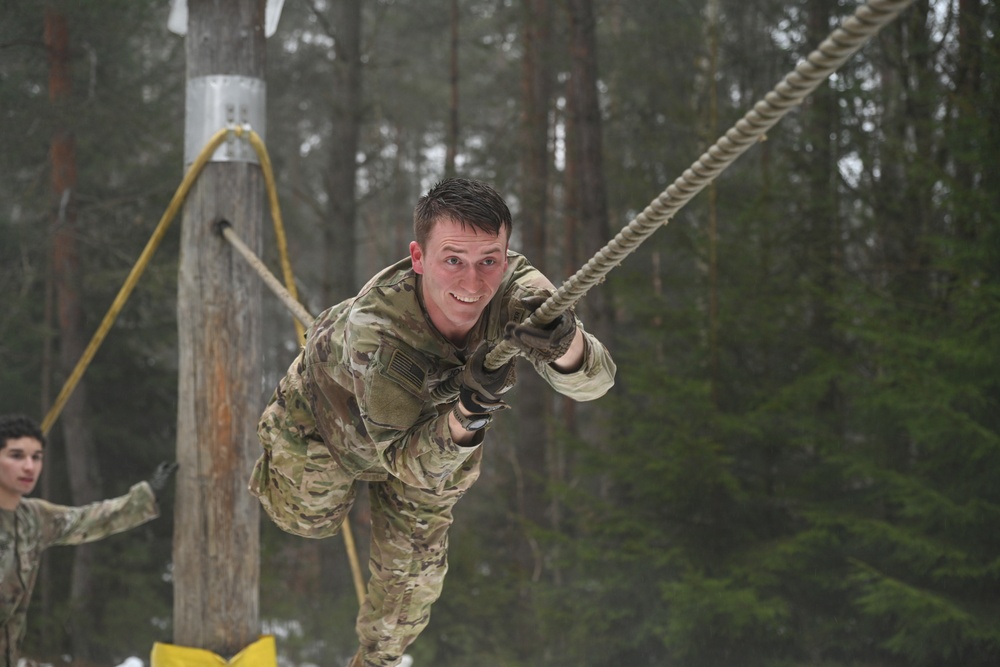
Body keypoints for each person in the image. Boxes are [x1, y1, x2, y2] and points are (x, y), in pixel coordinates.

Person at [249, 177, 616, 667]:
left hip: (440, 440)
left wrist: (564, 344)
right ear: (419, 258)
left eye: (489, 260)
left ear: (505, 257)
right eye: (452, 260)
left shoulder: (520, 290)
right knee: (305, 520)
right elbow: (401, 460)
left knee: (412, 581)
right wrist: (469, 411)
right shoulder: (374, 333)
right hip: (330, 421)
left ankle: (377, 664)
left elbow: (595, 384)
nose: (472, 283)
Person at [0, 414, 178, 667]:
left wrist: (146, 495)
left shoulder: (34, 518)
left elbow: (89, 520)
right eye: (16, 456)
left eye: (36, 457)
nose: (29, 466)